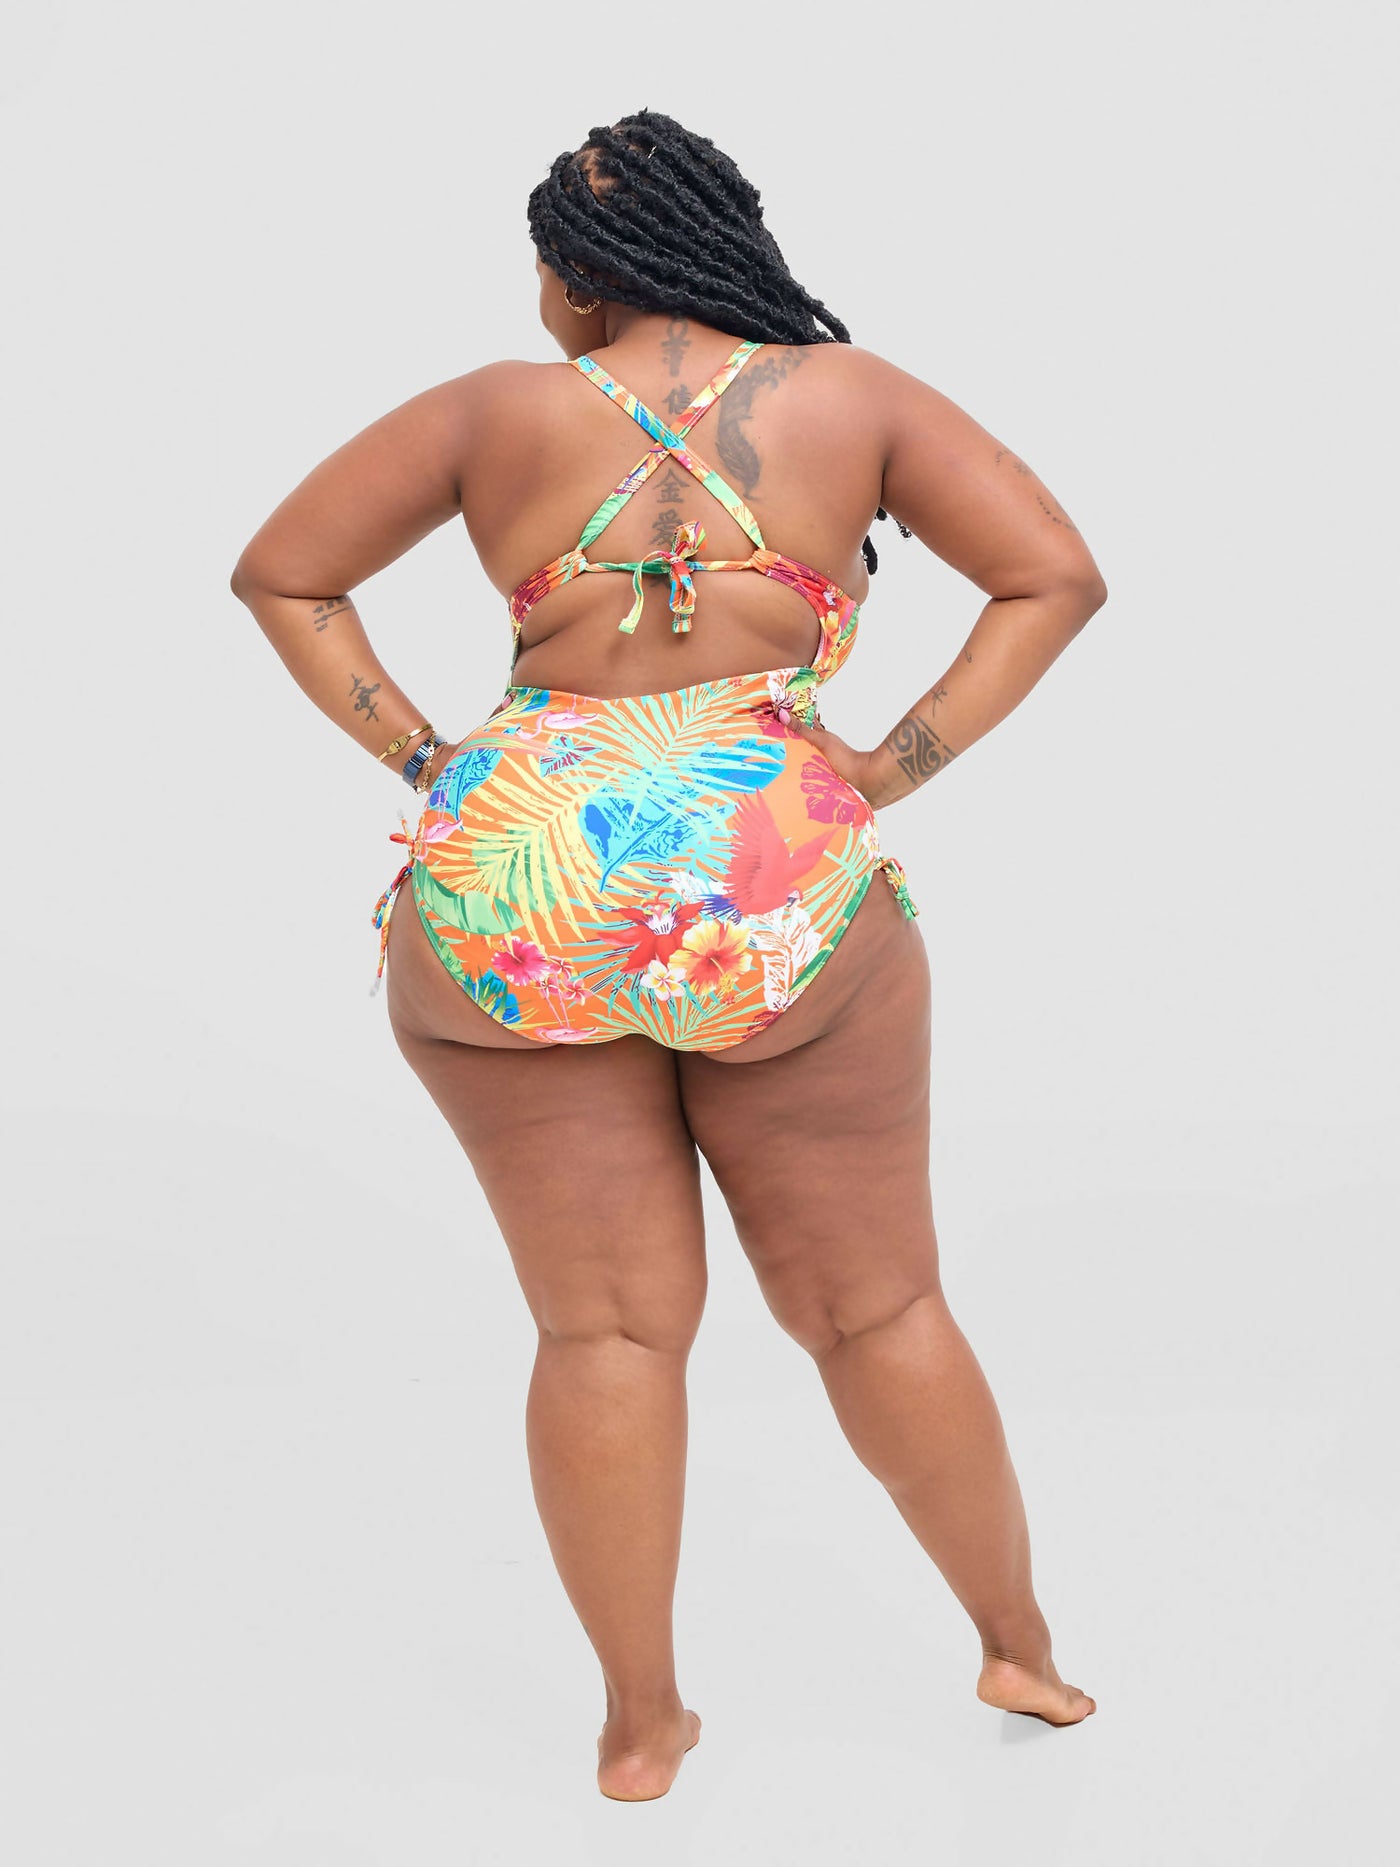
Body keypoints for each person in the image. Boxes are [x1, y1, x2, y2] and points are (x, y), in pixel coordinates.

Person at [231, 108, 1107, 1803]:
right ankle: (1021, 1649)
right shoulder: (854, 399)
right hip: (771, 871)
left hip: (516, 876)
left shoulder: (494, 408)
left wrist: (431, 762)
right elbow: (1052, 576)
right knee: (878, 1304)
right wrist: (883, 769)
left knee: (606, 1336)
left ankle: (640, 1728)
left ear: (576, 277)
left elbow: (285, 574)